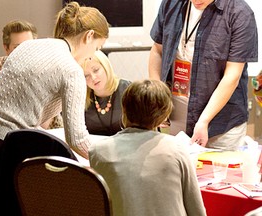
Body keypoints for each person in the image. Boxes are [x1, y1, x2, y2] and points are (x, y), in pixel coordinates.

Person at [0, 1, 108, 214]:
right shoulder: (70, 70)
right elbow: (78, 139)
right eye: (97, 47)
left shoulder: (30, 46)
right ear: (88, 36)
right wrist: (110, 158)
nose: (93, 54)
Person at [149, 0, 258, 151]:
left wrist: (204, 120)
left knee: (220, 173)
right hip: (175, 115)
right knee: (177, 171)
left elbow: (232, 76)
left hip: (220, 126)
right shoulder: (170, 4)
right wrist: (158, 99)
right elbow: (157, 50)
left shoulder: (239, 13)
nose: (196, 1)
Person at [89, 79, 206, 216]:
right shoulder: (177, 150)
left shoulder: (97, 151)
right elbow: (196, 210)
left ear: (124, 109)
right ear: (164, 115)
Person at [83, 50, 131, 135]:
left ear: (106, 67)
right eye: (86, 75)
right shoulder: (81, 97)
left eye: (96, 70)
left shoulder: (128, 89)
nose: (93, 78)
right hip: (94, 147)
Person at [0, 20, 37, 92]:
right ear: (6, 48)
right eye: (18, 47)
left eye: (29, 46)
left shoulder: (45, 68)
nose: (25, 52)